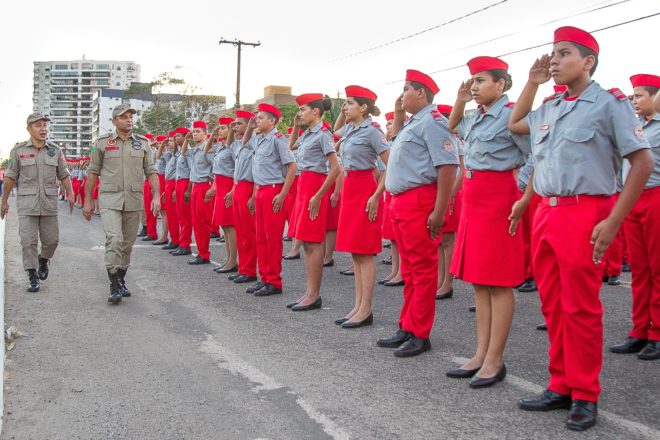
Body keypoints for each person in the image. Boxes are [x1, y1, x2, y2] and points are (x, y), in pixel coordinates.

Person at [508, 27, 653, 431]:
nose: (554, 60)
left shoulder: (609, 104)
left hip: (585, 212)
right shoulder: (551, 106)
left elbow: (642, 162)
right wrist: (532, 83)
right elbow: (515, 123)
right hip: (547, 212)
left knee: (581, 308)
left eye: (564, 53)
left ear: (588, 61)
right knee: (553, 305)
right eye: (552, 53)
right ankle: (560, 384)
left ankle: (585, 393)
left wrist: (613, 220)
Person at [446, 57, 529, 386]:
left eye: (481, 81)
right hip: (474, 197)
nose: (475, 86)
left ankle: (495, 359)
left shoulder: (512, 114)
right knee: (479, 280)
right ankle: (480, 353)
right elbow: (453, 126)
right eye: (473, 81)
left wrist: (524, 195)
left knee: (499, 281)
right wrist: (460, 99)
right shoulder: (476, 115)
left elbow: (535, 155)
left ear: (501, 84)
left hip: (499, 198)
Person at [376, 69, 458, 357]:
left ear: (420, 93)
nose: (402, 96)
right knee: (410, 270)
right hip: (402, 201)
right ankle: (407, 325)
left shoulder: (434, 122)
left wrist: (439, 210)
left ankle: (420, 333)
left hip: (420, 200)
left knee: (422, 270)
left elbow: (447, 166)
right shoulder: (414, 123)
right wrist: (399, 113)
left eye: (406, 89)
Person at [84, 104, 161, 303]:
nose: (129, 119)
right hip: (110, 198)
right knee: (114, 239)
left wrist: (156, 197)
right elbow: (92, 172)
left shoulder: (142, 143)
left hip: (134, 199)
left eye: (130, 116)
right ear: (114, 121)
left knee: (127, 244)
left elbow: (151, 171)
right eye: (124, 117)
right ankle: (113, 284)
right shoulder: (102, 143)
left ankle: (121, 278)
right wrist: (87, 201)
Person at [609, 73, 660, 361]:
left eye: (640, 96)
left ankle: (657, 333)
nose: (634, 101)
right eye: (633, 96)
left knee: (657, 269)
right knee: (640, 270)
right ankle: (640, 329)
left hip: (656, 198)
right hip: (633, 198)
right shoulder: (634, 126)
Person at [333, 85, 390, 328]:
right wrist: (342, 111)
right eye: (345, 103)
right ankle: (357, 305)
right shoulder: (350, 128)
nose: (345, 107)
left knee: (365, 252)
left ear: (364, 107)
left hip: (365, 189)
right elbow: (335, 132)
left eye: (350, 103)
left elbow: (390, 165)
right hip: (350, 188)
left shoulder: (373, 132)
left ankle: (366, 309)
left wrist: (376, 195)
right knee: (355, 252)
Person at [1, 113, 74, 292]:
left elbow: (63, 174)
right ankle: (32, 274)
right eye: (38, 125)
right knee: (28, 241)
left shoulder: (55, 150)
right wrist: (4, 201)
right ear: (29, 129)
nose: (43, 128)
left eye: (44, 125)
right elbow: (10, 176)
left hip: (49, 203)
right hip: (27, 204)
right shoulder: (19, 151)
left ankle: (43, 259)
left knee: (52, 241)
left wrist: (71, 193)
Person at [287, 94, 340, 311]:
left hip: (315, 186)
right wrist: (295, 126)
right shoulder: (308, 133)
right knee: (306, 243)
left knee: (314, 242)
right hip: (304, 185)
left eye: (303, 109)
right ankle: (309, 292)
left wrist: (318, 195)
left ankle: (314, 295)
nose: (299, 113)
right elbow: (290, 147)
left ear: (316, 111)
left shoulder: (323, 135)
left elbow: (336, 168)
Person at [243, 104, 297, 296]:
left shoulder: (278, 139)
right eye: (256, 118)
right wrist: (250, 126)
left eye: (260, 118)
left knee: (272, 238)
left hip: (273, 191)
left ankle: (274, 281)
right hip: (260, 190)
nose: (257, 120)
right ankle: (264, 277)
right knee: (261, 237)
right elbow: (244, 142)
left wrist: (283, 194)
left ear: (272, 121)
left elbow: (292, 167)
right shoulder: (259, 139)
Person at [435, 104, 464, 300]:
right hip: (440, 191)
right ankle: (439, 280)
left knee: (447, 240)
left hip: (451, 193)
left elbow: (462, 168)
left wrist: (452, 192)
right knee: (438, 239)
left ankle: (447, 283)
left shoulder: (455, 139)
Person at [228, 110, 259, 285]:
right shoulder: (239, 144)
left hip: (249, 187)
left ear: (249, 125)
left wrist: (253, 195)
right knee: (240, 231)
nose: (235, 126)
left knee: (248, 232)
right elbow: (229, 143)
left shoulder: (254, 142)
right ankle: (243, 268)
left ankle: (249, 270)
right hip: (239, 186)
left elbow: (256, 171)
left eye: (239, 123)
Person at [206, 118, 238, 273]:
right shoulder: (220, 147)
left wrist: (233, 189)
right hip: (220, 186)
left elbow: (237, 170)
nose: (220, 130)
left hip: (228, 185)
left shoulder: (233, 147)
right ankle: (228, 259)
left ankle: (233, 261)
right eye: (219, 128)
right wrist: (213, 134)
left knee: (230, 226)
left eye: (224, 128)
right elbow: (207, 150)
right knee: (224, 225)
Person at [378, 112, 403, 286]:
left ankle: (401, 272)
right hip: (390, 191)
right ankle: (395, 270)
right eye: (386, 124)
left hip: (399, 189)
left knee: (400, 236)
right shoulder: (389, 143)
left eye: (391, 123)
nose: (388, 126)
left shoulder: (402, 140)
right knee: (392, 235)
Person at [186, 121, 216, 264]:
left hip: (204, 186)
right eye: (194, 131)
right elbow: (183, 153)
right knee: (196, 222)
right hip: (195, 186)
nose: (195, 134)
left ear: (205, 134)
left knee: (203, 222)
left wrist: (213, 187)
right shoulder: (195, 150)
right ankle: (201, 252)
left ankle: (204, 253)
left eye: (198, 131)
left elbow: (216, 168)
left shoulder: (207, 149)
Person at [171, 127, 193, 256]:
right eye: (175, 136)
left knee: (185, 217)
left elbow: (192, 171)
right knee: (180, 215)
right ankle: (181, 242)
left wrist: (188, 190)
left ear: (185, 137)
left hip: (185, 183)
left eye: (178, 136)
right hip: (179, 183)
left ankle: (185, 244)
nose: (175, 138)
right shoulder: (180, 152)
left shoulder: (188, 152)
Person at [162, 132, 180, 251]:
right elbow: (159, 156)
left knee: (176, 215)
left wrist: (176, 188)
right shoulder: (172, 155)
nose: (169, 143)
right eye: (169, 141)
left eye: (171, 140)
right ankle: (174, 239)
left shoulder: (181, 154)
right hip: (168, 184)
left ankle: (178, 240)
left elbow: (181, 171)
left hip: (175, 184)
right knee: (170, 214)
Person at [141, 136, 159, 242]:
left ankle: (151, 231)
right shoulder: (144, 151)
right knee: (145, 208)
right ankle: (147, 229)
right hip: (144, 181)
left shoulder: (154, 152)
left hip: (153, 180)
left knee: (151, 208)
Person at [153, 135, 170, 246]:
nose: (159, 145)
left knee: (165, 211)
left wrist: (163, 145)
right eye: (158, 143)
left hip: (164, 180)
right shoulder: (160, 153)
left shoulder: (168, 154)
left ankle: (164, 236)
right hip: (159, 179)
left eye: (161, 143)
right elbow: (157, 156)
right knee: (162, 211)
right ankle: (163, 235)